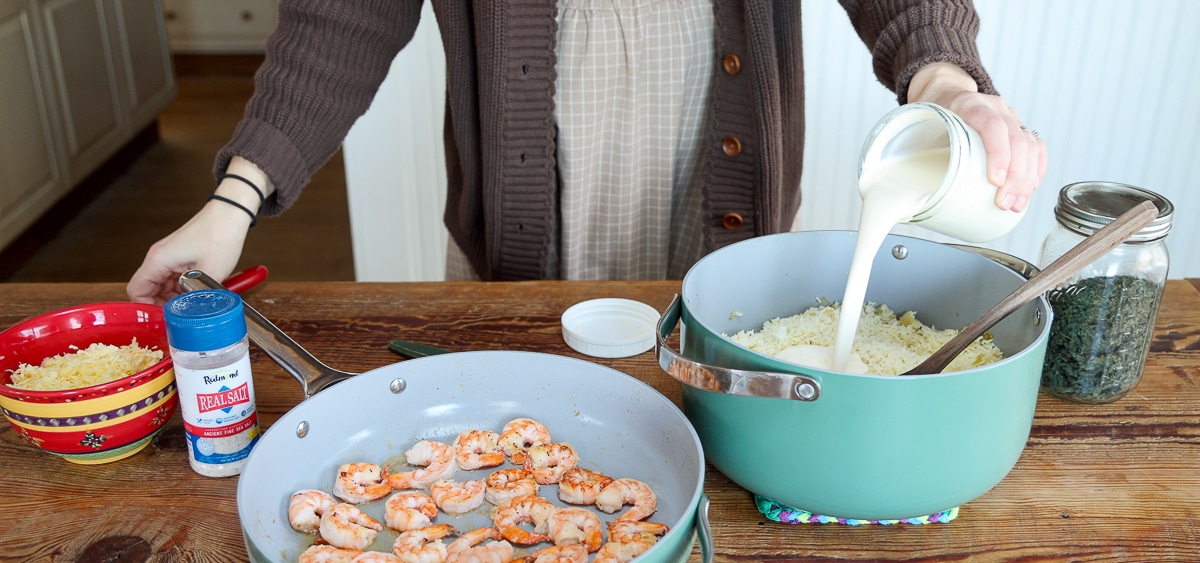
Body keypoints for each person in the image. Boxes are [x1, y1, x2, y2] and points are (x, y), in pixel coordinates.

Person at [127, 0, 1047, 305]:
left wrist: (947, 85)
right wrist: (233, 198)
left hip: (724, 212)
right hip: (518, 251)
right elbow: (343, 15)